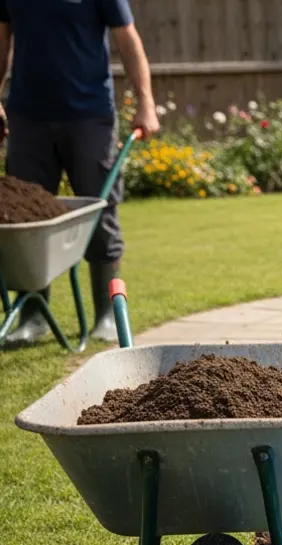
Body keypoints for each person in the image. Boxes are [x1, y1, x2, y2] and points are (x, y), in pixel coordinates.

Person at [0, 0, 159, 344]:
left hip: (89, 116)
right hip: (27, 118)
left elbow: (127, 38)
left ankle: (107, 314)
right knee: (25, 218)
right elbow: (2, 40)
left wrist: (146, 102)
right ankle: (33, 317)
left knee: (100, 213)